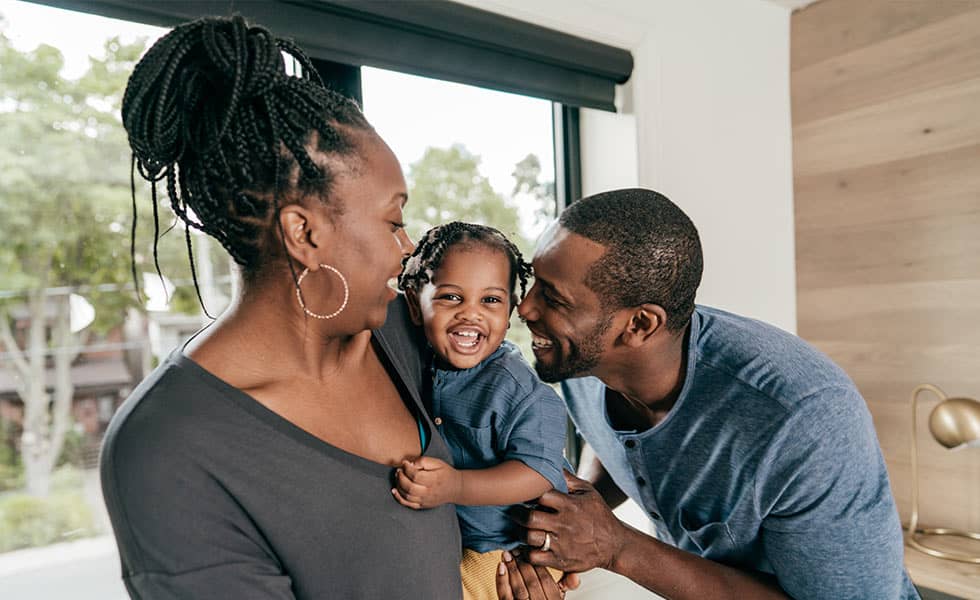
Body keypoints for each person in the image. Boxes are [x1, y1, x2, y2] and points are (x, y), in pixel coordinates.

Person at [101, 16, 463, 598]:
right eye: (394, 219)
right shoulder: (168, 450)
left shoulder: (400, 330)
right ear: (304, 233)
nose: (407, 247)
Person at [496, 188, 918, 599]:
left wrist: (615, 545)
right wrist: (572, 514)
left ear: (640, 325)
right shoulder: (583, 358)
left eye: (553, 298)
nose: (525, 308)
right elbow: (614, 439)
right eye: (535, 283)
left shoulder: (805, 420)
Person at [393, 222, 568, 600]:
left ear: (509, 313)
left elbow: (537, 472)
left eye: (490, 301)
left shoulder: (514, 388)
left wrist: (455, 485)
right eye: (451, 298)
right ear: (414, 303)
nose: (470, 315)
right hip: (464, 534)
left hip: (510, 549)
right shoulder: (419, 361)